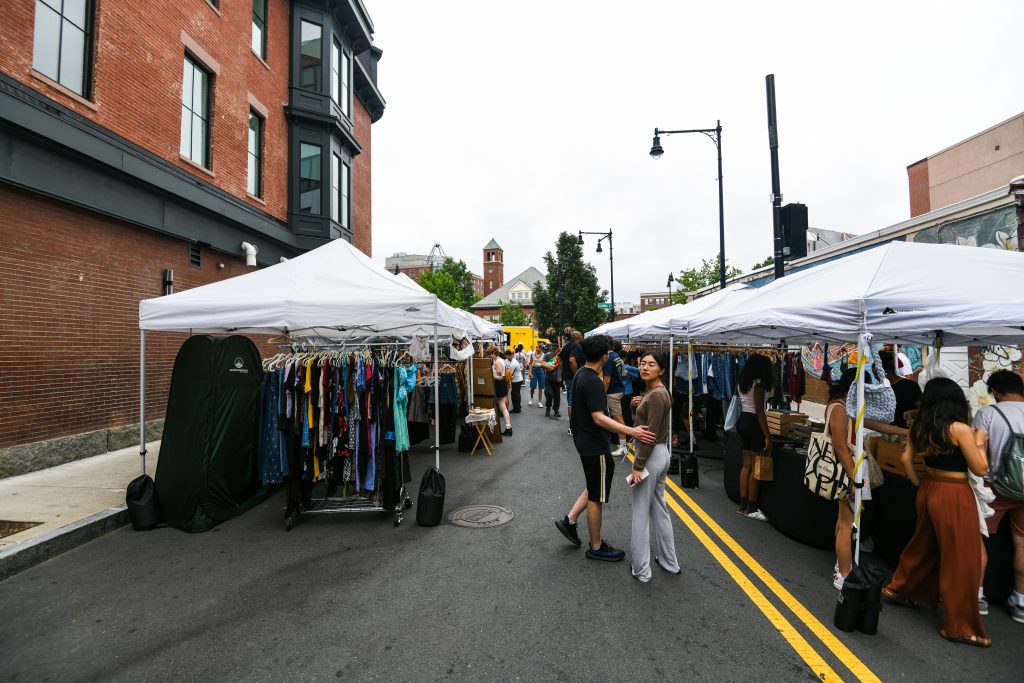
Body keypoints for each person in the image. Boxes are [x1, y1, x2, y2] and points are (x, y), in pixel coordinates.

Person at [884, 377, 990, 647]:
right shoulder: (961, 429)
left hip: (929, 488)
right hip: (954, 492)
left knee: (923, 546)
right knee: (961, 559)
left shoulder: (920, 426)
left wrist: (919, 484)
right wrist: (980, 442)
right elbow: (980, 468)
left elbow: (906, 459)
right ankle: (959, 626)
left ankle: (900, 588)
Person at [555, 335, 656, 561]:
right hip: (594, 444)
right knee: (596, 496)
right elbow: (599, 418)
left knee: (594, 484)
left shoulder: (582, 373)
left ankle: (569, 520)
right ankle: (597, 546)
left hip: (585, 442)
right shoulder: (592, 381)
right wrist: (631, 431)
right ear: (604, 355)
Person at [973, 369, 1024, 624]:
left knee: (978, 535)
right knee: (1022, 542)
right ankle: (1020, 600)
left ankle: (978, 593)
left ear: (994, 391)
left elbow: (976, 451)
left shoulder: (987, 414)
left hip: (995, 487)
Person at [627, 351, 680, 582]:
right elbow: (646, 422)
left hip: (650, 455)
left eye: (651, 364)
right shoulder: (653, 393)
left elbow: (650, 434)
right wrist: (636, 405)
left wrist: (638, 466)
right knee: (659, 510)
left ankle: (641, 569)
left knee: (641, 512)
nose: (644, 367)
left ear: (662, 370)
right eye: (642, 364)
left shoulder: (657, 395)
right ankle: (669, 562)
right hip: (658, 454)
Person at [826, 368, 859, 590]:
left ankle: (841, 566)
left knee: (843, 520)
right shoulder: (839, 408)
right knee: (847, 523)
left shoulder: (843, 406)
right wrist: (854, 477)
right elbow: (840, 446)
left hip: (846, 470)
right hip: (846, 471)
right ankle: (844, 574)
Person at [735, 354, 775, 521]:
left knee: (746, 466)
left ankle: (743, 505)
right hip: (754, 423)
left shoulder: (742, 381)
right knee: (757, 468)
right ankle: (752, 507)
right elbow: (759, 411)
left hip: (743, 420)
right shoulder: (758, 383)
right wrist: (768, 435)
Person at [878, 349, 922, 429]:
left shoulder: (910, 386)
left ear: (889, 372)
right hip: (886, 430)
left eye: (877, 374)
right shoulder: (882, 387)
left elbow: (924, 409)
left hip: (908, 430)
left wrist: (912, 413)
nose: (876, 377)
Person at [558, 330, 585, 435]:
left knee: (571, 400)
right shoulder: (576, 346)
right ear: (580, 337)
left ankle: (573, 426)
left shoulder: (567, 346)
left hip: (568, 377)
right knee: (573, 401)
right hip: (573, 377)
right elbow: (572, 360)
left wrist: (563, 370)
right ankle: (572, 427)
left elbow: (559, 358)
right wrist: (577, 373)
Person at [603, 340, 627, 455]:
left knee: (617, 417)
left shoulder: (609, 358)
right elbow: (623, 373)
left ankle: (623, 447)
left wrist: (602, 393)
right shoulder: (617, 356)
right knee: (616, 417)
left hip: (613, 392)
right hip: (619, 389)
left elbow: (607, 380)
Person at [488, 345, 512, 436]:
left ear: (494, 353)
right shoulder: (500, 360)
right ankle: (508, 427)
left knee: (501, 407)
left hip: (499, 385)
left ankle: (506, 428)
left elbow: (500, 377)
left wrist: (490, 374)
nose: (489, 356)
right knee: (502, 407)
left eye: (490, 354)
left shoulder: (498, 361)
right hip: (501, 385)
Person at [542, 343, 562, 418]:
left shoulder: (560, 356)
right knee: (549, 394)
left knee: (557, 396)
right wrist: (548, 367)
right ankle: (548, 408)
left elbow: (562, 366)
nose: (552, 350)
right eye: (552, 348)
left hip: (558, 379)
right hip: (549, 378)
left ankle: (556, 410)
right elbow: (542, 364)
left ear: (558, 349)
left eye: (554, 349)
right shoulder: (547, 355)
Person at [505, 350, 524, 414]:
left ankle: (516, 409)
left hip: (517, 380)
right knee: (517, 394)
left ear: (510, 355)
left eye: (507, 356)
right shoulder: (510, 360)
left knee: (515, 394)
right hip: (517, 379)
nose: (506, 357)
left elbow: (510, 374)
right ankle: (518, 406)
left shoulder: (513, 363)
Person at [529, 343, 547, 407]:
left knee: (541, 387)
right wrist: (529, 372)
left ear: (541, 348)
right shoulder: (532, 354)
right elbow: (530, 364)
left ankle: (539, 402)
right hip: (534, 370)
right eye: (536, 347)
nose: (536, 348)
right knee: (532, 386)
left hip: (541, 370)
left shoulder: (544, 355)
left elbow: (545, 364)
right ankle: (531, 398)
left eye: (537, 347)